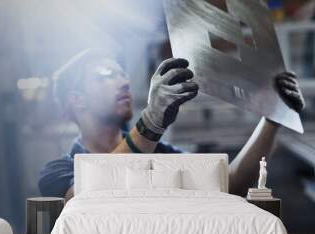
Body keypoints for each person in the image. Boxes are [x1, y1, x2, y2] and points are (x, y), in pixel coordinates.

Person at [39, 48, 305, 202]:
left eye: (122, 74)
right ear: (77, 100)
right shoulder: (59, 173)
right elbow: (91, 199)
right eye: (105, 76)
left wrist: (273, 117)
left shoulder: (162, 154)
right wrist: (152, 121)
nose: (124, 82)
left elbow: (229, 184)